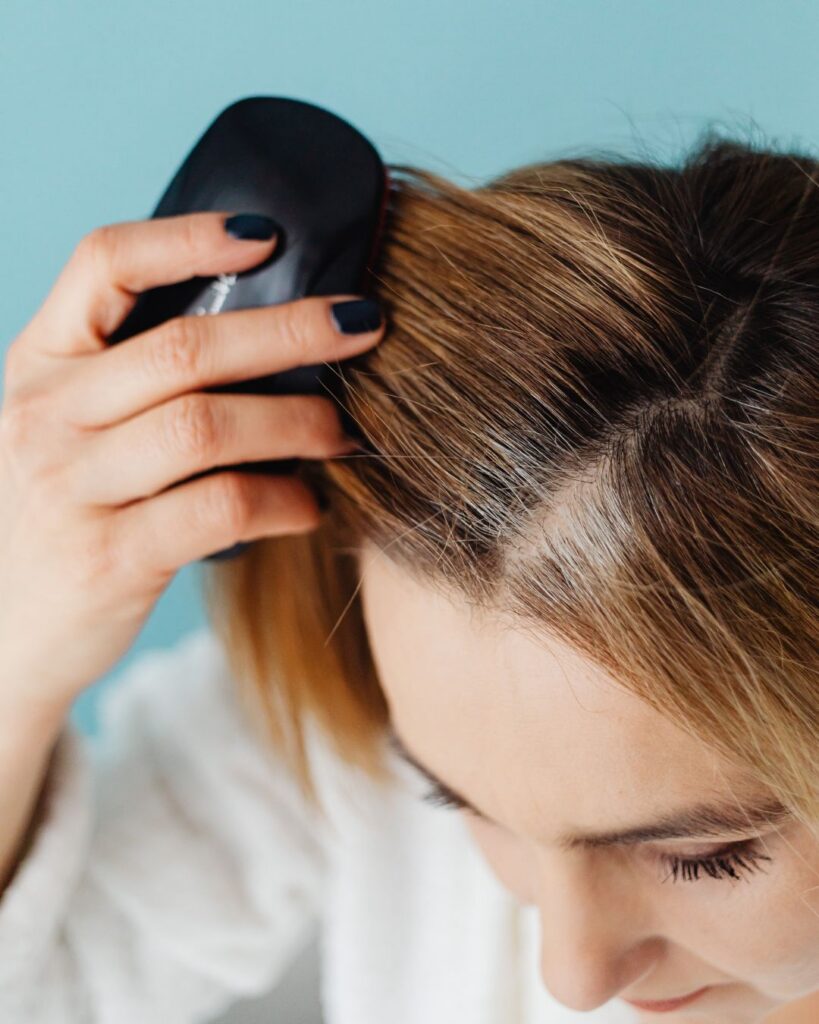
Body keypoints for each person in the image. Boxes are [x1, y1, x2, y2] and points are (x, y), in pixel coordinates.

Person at [0, 130, 815, 1024]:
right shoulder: (376, 711)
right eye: (457, 801)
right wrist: (18, 653)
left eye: (708, 855)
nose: (571, 978)